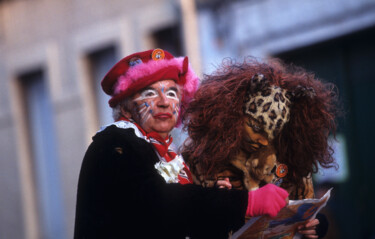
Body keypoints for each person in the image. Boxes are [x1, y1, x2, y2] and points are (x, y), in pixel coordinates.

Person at [73, 49, 289, 239]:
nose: (165, 101)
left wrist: (287, 225)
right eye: (149, 93)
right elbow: (160, 202)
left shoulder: (166, 153)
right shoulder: (115, 142)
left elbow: (181, 222)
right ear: (127, 108)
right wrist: (244, 202)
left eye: (172, 92)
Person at [182, 57, 338, 238]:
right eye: (256, 127)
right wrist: (221, 202)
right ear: (235, 116)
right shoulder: (203, 160)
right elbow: (188, 220)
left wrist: (316, 226)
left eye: (272, 133)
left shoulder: (288, 158)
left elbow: (305, 210)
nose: (263, 141)